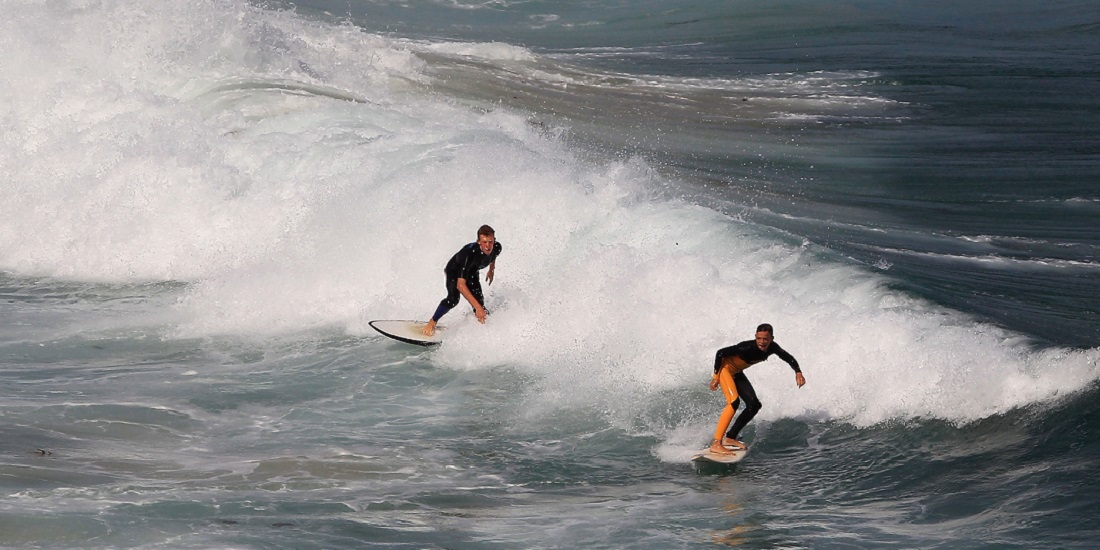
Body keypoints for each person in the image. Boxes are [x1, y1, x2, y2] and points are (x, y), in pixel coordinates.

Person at [707, 323, 805, 454]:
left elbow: (788, 357)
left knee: (754, 405)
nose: (762, 342)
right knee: (733, 402)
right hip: (725, 370)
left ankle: (730, 438)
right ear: (755, 337)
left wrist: (798, 372)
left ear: (771, 339)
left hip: (737, 372)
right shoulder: (746, 347)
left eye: (765, 339)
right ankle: (716, 443)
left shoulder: (773, 348)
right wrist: (715, 377)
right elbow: (720, 353)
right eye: (759, 338)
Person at [422, 225, 502, 336]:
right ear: (478, 242)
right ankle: (432, 321)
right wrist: (477, 308)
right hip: (454, 271)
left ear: (494, 240)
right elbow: (460, 285)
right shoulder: (469, 253)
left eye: (490, 242)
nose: (488, 246)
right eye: (484, 242)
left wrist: (491, 270)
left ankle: (484, 331)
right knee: (453, 299)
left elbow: (493, 257)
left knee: (480, 304)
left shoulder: (497, 248)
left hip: (472, 272)